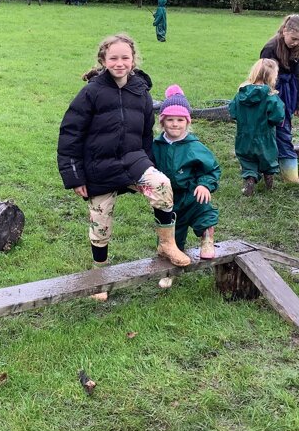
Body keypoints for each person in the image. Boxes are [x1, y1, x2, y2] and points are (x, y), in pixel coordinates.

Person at [58, 33, 191, 302]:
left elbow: (145, 131)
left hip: (133, 160)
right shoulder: (91, 92)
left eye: (125, 58)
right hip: (99, 166)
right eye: (114, 58)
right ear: (104, 60)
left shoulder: (140, 91)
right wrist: (75, 176)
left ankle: (166, 245)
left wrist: (147, 163)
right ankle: (100, 276)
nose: (120, 63)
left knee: (162, 185)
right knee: (100, 223)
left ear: (133, 60)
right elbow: (70, 133)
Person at [153, 85, 221, 288]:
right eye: (170, 120)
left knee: (203, 213)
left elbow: (212, 169)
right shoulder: (156, 145)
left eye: (180, 120)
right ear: (162, 122)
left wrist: (204, 185)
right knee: (171, 237)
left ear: (187, 122)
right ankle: (170, 271)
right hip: (168, 201)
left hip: (192, 194)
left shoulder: (195, 147)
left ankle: (207, 238)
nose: (175, 124)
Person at [260, 14, 299, 183]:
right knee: (271, 130)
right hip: (272, 94)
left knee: (284, 130)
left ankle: (289, 175)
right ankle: (268, 170)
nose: (296, 43)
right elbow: (263, 79)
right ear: (285, 30)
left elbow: (297, 75)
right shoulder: (270, 48)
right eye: (294, 38)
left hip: (289, 93)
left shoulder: (296, 49)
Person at [229, 59, 286, 196]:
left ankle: (250, 179)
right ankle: (269, 183)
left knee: (247, 161)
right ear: (272, 77)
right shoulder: (271, 96)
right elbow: (277, 116)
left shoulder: (241, 94)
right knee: (268, 159)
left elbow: (232, 112)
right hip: (265, 136)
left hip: (244, 136)